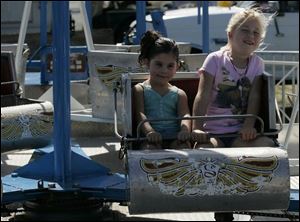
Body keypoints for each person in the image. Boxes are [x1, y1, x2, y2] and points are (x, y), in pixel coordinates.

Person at [191, 9, 275, 221]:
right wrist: (197, 128)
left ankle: (260, 207)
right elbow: (202, 95)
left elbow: (254, 97)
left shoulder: (257, 64)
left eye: (256, 33)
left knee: (270, 148)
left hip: (239, 133)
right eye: (245, 30)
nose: (251, 36)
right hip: (214, 132)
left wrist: (249, 125)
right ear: (230, 34)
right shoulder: (215, 60)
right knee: (211, 154)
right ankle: (223, 212)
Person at [133, 30, 191, 149]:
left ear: (177, 67)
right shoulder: (140, 89)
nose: (164, 70)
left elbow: (185, 115)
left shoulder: (179, 94)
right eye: (159, 64)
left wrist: (184, 130)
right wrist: (150, 132)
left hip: (175, 138)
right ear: (147, 63)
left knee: (184, 147)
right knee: (149, 149)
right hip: (149, 139)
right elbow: (140, 114)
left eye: (170, 66)